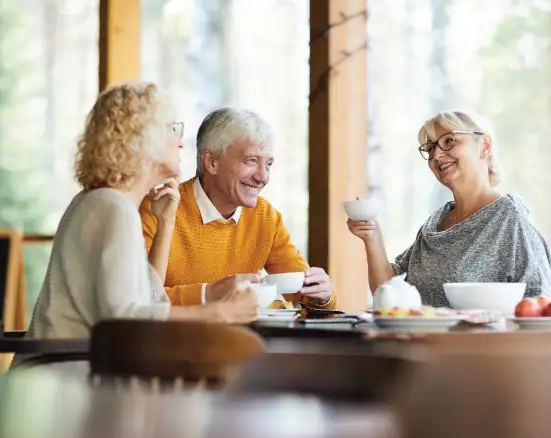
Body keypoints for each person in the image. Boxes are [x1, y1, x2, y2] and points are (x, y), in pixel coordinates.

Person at [23, 83, 258, 342]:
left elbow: (146, 298)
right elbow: (123, 319)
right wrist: (219, 314)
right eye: (172, 128)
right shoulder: (112, 208)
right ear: (142, 139)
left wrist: (165, 222)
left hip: (76, 367)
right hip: (69, 373)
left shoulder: (103, 202)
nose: (181, 141)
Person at [348, 109, 551, 307]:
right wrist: (371, 236)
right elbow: (389, 294)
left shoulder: (510, 215)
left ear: (485, 146)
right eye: (429, 148)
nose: (436, 155)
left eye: (449, 141)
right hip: (416, 340)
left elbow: (539, 302)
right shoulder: (436, 222)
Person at [140, 107, 337, 309]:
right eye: (251, 161)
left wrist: (322, 296)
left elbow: (303, 294)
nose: (263, 177)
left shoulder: (265, 216)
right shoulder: (158, 208)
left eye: (268, 164)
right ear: (211, 162)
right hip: (177, 339)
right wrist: (209, 294)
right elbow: (139, 300)